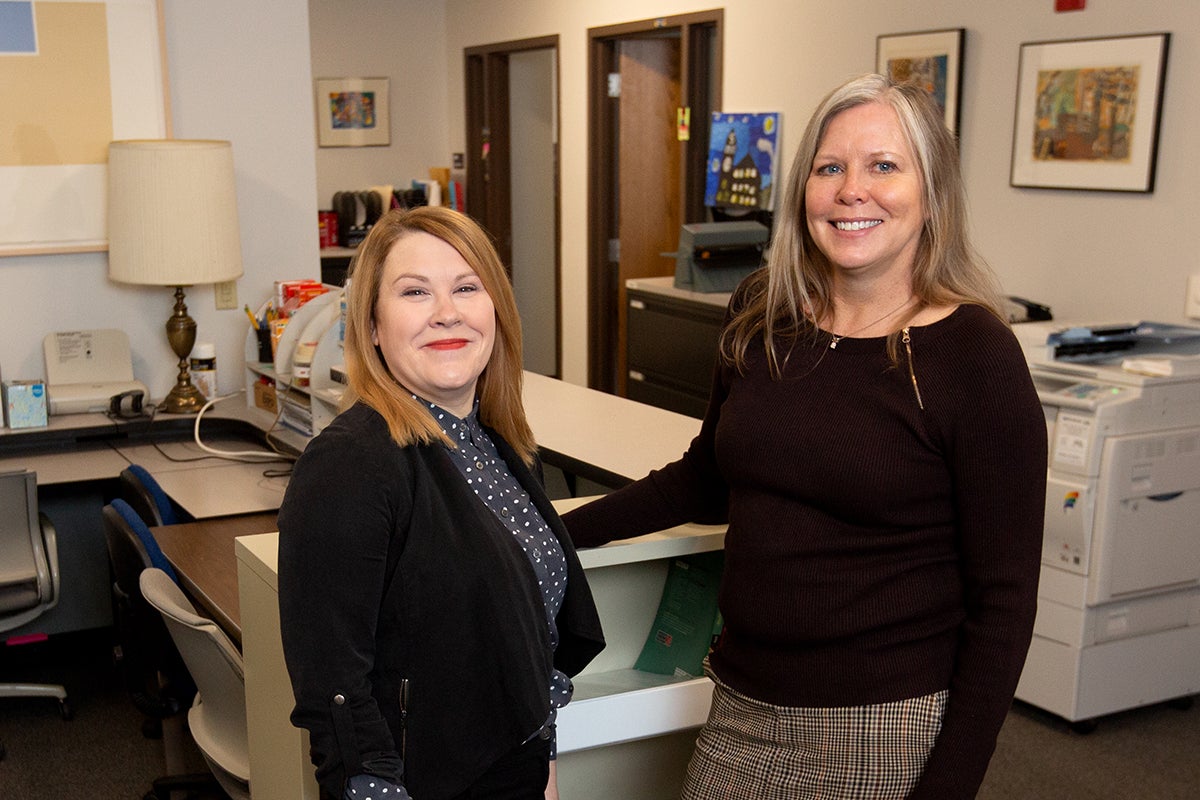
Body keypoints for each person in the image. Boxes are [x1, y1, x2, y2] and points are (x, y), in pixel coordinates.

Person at [563, 73, 1047, 799]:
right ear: (804, 190)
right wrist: (553, 530)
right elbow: (705, 479)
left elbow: (1004, 601)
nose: (854, 190)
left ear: (932, 190)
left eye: (884, 165)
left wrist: (949, 786)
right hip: (738, 703)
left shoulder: (974, 357)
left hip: (881, 725)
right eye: (830, 167)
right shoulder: (763, 312)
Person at [278, 206, 605, 800]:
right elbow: (336, 697)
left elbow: (531, 641)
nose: (447, 312)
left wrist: (545, 771)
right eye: (414, 292)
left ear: (496, 312)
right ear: (373, 326)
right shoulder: (349, 466)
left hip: (518, 775)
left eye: (466, 287)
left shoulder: (498, 444)